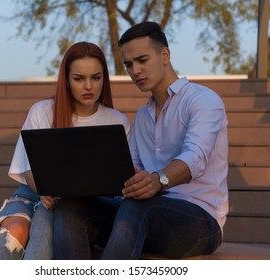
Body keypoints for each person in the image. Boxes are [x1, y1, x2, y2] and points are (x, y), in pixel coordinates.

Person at [53, 22, 228, 259]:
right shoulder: (142, 118)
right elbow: (128, 174)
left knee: (139, 206)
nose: (135, 70)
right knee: (70, 208)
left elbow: (194, 158)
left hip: (199, 222)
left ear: (165, 55)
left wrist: (158, 180)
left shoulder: (203, 101)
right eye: (128, 64)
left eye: (142, 60)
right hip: (142, 215)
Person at [0, 41, 130, 260]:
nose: (89, 86)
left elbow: (118, 179)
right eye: (79, 78)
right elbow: (27, 168)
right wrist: (43, 188)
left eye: (96, 77)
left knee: (46, 226)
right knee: (14, 234)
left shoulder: (117, 121)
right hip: (35, 192)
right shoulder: (42, 111)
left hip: (79, 206)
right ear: (66, 80)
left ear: (104, 78)